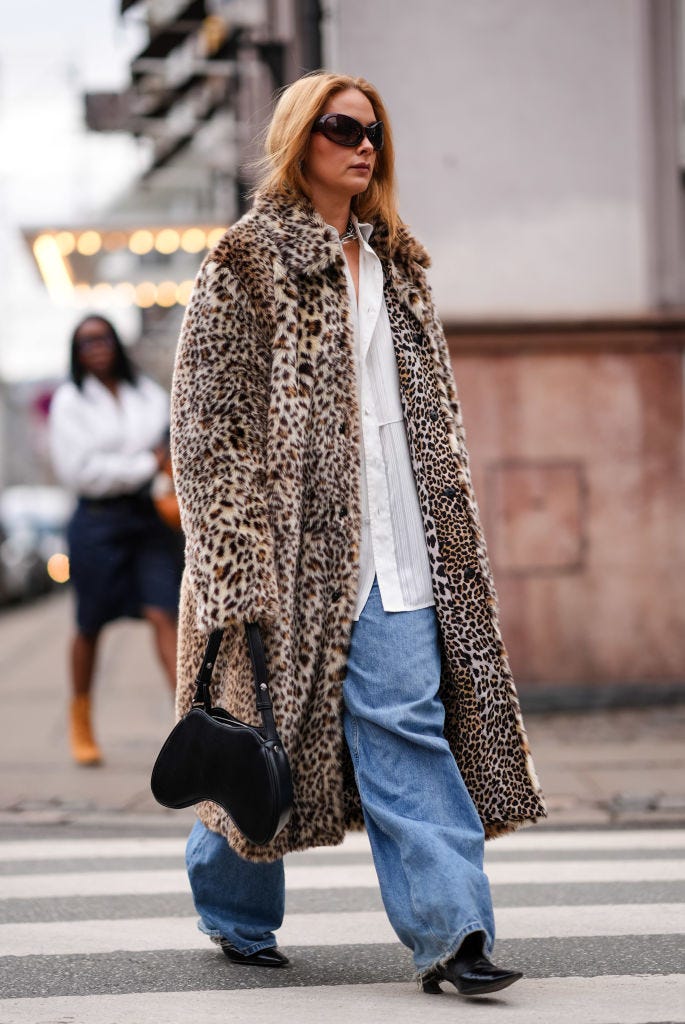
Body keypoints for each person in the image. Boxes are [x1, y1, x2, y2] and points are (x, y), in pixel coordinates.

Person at [171, 72, 546, 997]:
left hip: (399, 544)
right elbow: (204, 425)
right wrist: (232, 567)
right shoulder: (244, 261)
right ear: (302, 139)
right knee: (259, 735)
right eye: (342, 128)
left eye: (373, 130)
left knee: (407, 725)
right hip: (284, 556)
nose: (362, 144)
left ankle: (452, 932)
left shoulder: (399, 265)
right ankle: (234, 910)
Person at [50, 315, 183, 766]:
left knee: (165, 612)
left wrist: (145, 461)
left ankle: (191, 725)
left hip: (148, 519)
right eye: (85, 340)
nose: (96, 346)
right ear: (76, 350)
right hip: (98, 522)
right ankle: (81, 718)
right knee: (90, 623)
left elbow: (171, 438)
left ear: (116, 343)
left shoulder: (144, 392)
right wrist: (144, 464)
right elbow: (82, 471)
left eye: (103, 337)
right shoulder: (70, 401)